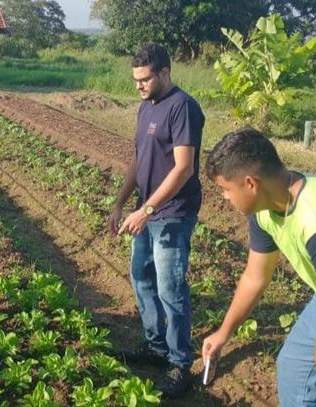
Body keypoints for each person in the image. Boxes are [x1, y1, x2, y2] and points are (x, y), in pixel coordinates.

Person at [202, 127, 316, 407]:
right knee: (293, 369)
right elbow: (254, 277)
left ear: (250, 183)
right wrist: (223, 333)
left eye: (225, 189)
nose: (224, 197)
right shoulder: (264, 211)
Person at [107, 42, 205, 397]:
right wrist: (120, 204)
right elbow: (137, 160)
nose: (139, 86)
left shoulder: (183, 107)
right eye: (135, 80)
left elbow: (184, 169)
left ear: (165, 72)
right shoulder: (145, 108)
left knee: (170, 288)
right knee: (141, 277)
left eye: (145, 79)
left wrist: (146, 210)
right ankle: (155, 346)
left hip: (172, 214)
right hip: (144, 210)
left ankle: (180, 363)